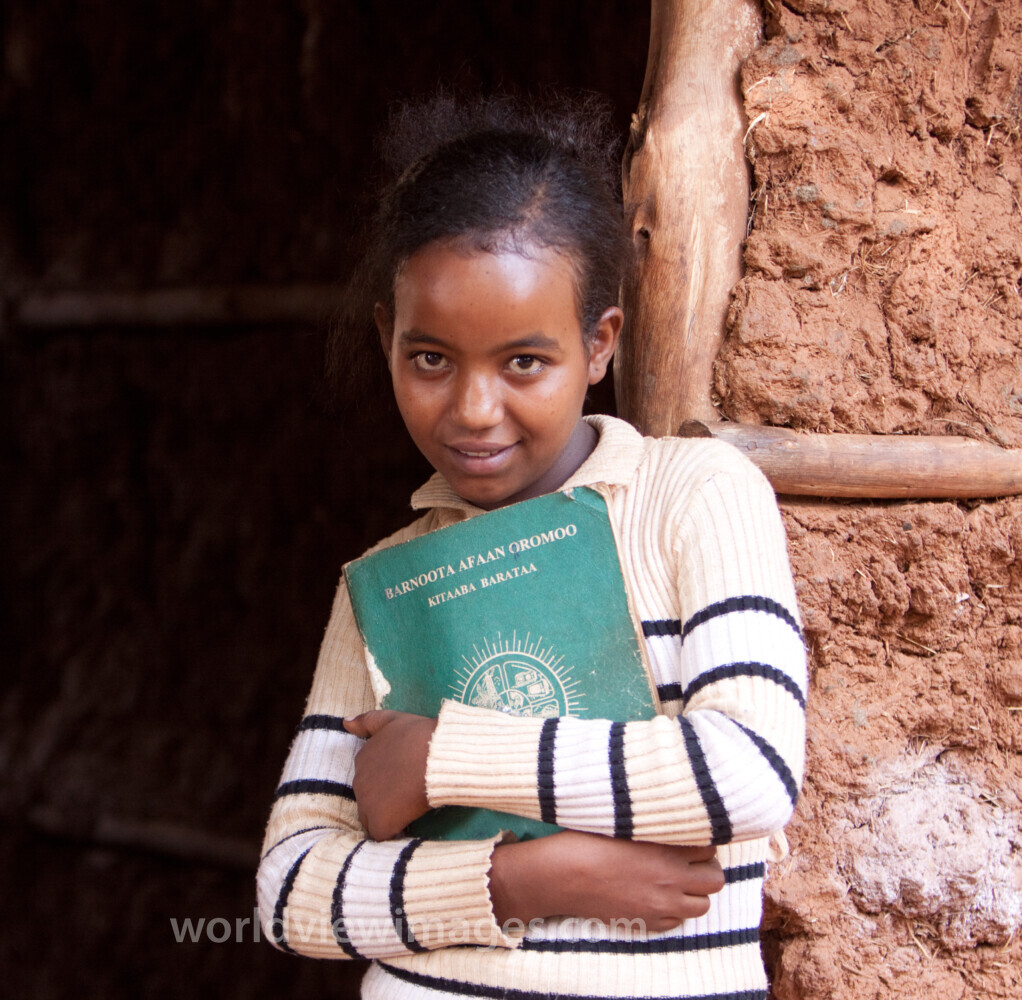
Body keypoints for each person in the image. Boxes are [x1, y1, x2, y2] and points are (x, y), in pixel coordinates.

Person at [256, 92, 806, 1000]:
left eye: (524, 362)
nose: (474, 411)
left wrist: (439, 759)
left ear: (598, 345)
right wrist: (525, 881)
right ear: (388, 341)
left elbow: (750, 774)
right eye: (430, 359)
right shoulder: (390, 584)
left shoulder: (692, 499)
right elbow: (289, 893)